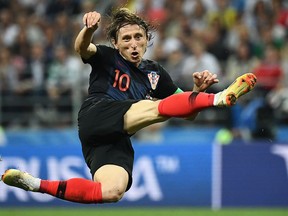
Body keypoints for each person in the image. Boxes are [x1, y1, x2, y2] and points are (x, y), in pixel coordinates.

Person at [1, 8, 257, 204]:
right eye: (126, 39)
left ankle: (35, 184)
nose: (132, 43)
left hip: (115, 137)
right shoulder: (106, 57)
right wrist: (88, 28)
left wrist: (196, 92)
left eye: (138, 37)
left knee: (112, 192)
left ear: (147, 40)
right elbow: (81, 47)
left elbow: (186, 114)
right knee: (154, 109)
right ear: (116, 43)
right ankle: (220, 98)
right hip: (97, 114)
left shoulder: (156, 73)